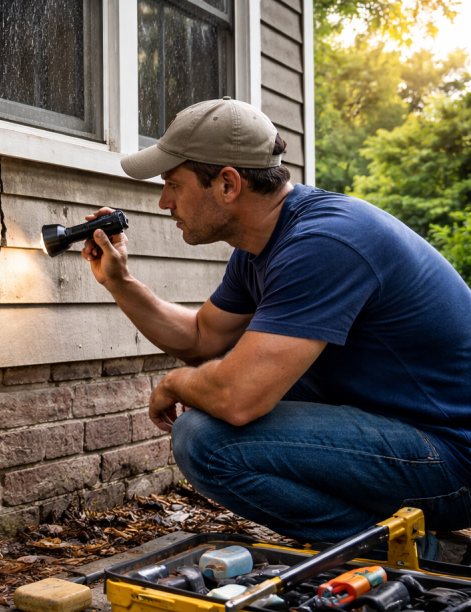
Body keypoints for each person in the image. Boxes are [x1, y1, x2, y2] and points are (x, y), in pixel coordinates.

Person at [81, 96, 471, 553]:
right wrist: (120, 282)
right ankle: (401, 536)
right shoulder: (262, 245)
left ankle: (411, 552)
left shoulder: (323, 244)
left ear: (228, 184)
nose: (165, 201)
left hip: (454, 457)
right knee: (236, 387)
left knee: (206, 438)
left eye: (174, 184)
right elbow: (202, 337)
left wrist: (175, 383)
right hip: (402, 428)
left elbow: (237, 399)